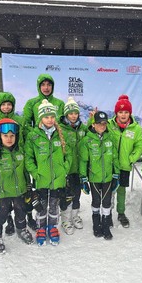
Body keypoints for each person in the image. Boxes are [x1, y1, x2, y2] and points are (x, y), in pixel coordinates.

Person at [0, 92, 36, 233]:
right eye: (3, 104)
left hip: (19, 158)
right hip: (2, 161)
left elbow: (28, 137)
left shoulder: (20, 120)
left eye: (9, 104)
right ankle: (9, 221)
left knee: (22, 192)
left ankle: (26, 218)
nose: (6, 107)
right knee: (4, 195)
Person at [25, 100, 72, 246]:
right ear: (40, 118)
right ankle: (41, 228)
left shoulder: (61, 134)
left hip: (58, 179)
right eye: (46, 117)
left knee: (54, 205)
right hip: (41, 179)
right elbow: (29, 158)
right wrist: (36, 172)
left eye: (52, 116)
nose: (50, 119)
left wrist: (64, 168)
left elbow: (69, 154)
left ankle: (52, 227)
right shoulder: (33, 136)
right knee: (41, 205)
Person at [0, 118, 34, 253]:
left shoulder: (20, 152)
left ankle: (21, 229)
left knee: (21, 211)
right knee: (2, 214)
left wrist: (28, 187)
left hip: (19, 191)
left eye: (12, 136)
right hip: (3, 193)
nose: (9, 139)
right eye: (5, 136)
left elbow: (24, 172)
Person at [79, 111, 120, 240]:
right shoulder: (87, 140)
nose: (102, 126)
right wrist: (83, 178)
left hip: (107, 177)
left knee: (107, 202)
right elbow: (83, 160)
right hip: (94, 177)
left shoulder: (110, 138)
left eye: (104, 123)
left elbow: (115, 158)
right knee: (96, 201)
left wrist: (116, 174)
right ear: (94, 124)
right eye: (99, 123)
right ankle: (96, 224)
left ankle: (106, 225)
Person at [108, 95, 142, 228]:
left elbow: (139, 145)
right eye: (120, 112)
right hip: (111, 165)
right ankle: (108, 213)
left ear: (130, 113)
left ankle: (121, 213)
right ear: (116, 113)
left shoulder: (136, 128)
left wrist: (131, 158)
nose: (123, 115)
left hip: (124, 165)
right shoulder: (109, 125)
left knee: (122, 190)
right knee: (110, 190)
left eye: (126, 112)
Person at [59, 97, 87, 235]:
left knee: (77, 194)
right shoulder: (61, 129)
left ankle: (75, 216)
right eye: (70, 113)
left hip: (79, 169)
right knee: (66, 196)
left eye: (75, 113)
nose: (73, 116)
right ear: (66, 115)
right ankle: (65, 219)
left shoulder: (83, 128)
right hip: (67, 169)